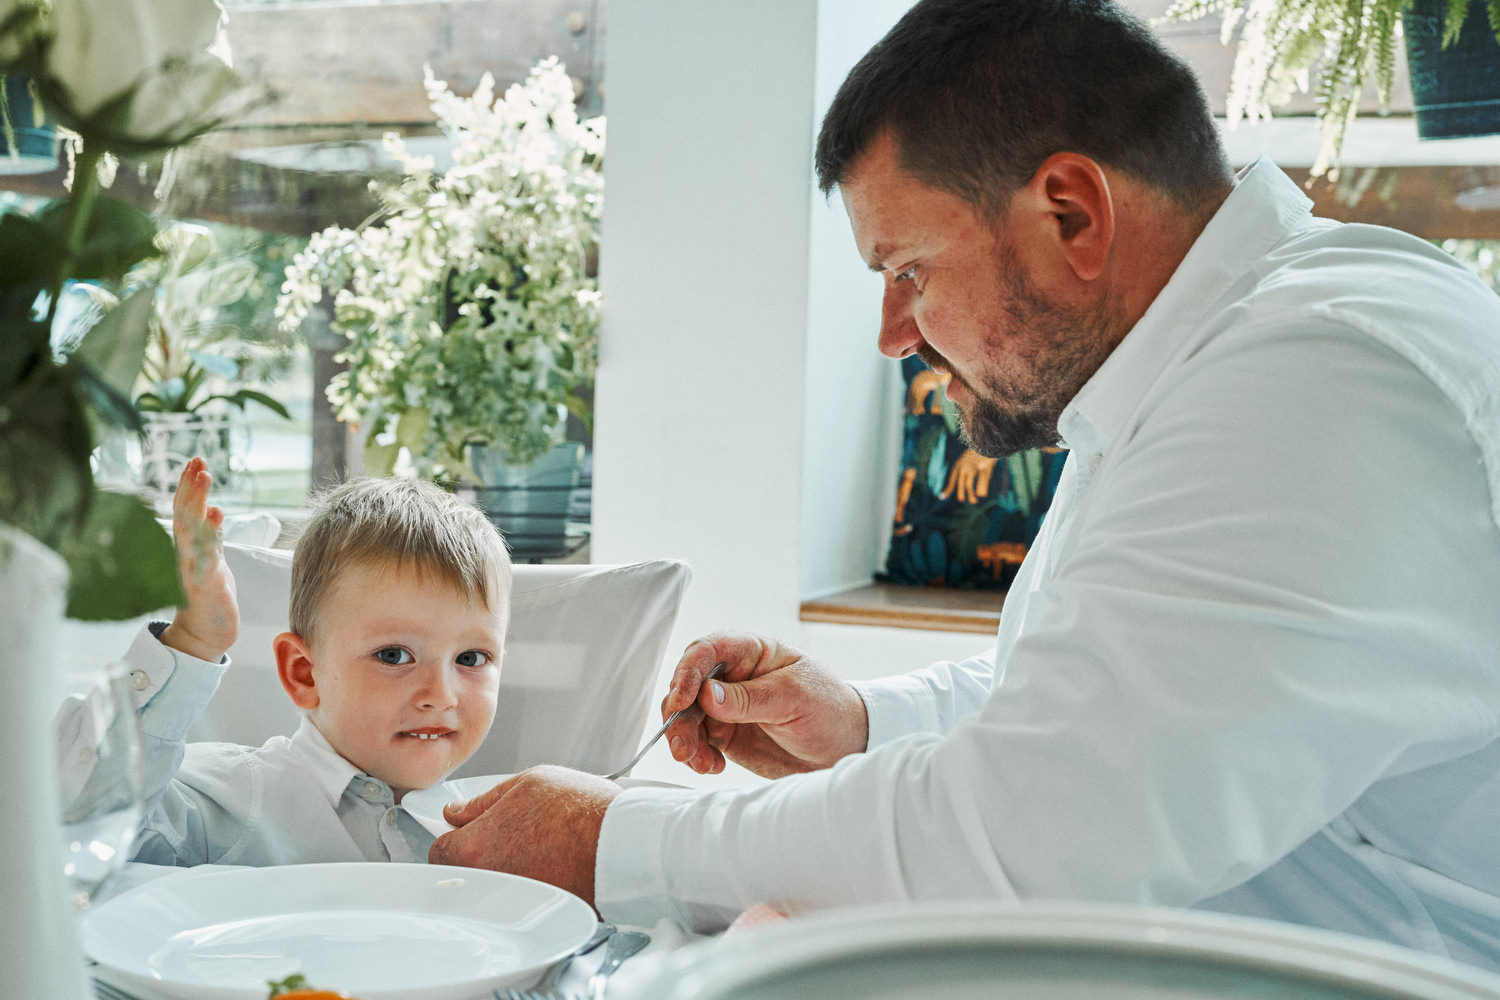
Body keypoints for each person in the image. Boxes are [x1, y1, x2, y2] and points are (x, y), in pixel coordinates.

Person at [429, 0, 1500, 969]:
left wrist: (609, 841)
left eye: (909, 271)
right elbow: (1110, 692)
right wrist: (860, 722)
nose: (894, 334)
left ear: (1072, 212)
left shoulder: (1312, 378)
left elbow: (1042, 822)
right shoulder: (1201, 362)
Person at [56, 457, 512, 866]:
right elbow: (77, 823)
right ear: (304, 673)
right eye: (394, 656)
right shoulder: (239, 800)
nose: (441, 695)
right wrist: (192, 642)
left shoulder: (502, 827)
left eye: (471, 658)